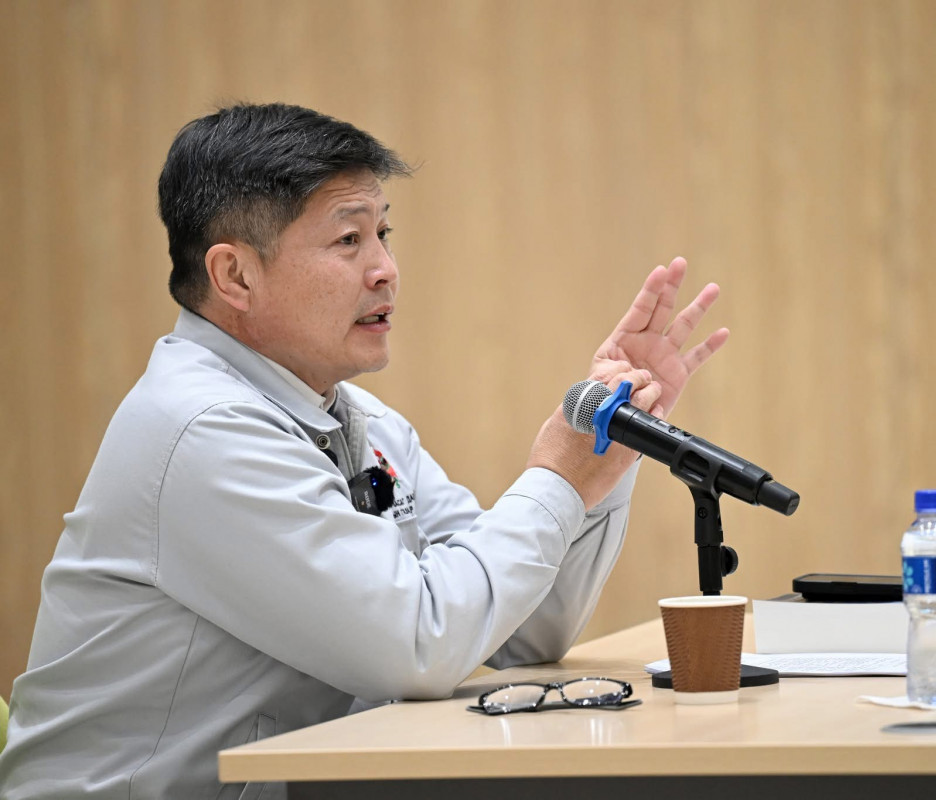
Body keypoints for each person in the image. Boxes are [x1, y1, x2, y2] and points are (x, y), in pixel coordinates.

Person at [0, 103, 728, 798]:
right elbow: (420, 644)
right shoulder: (203, 429)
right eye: (348, 240)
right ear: (235, 276)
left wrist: (605, 445)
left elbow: (523, 630)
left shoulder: (359, 419)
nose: (385, 268)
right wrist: (557, 476)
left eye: (383, 233)